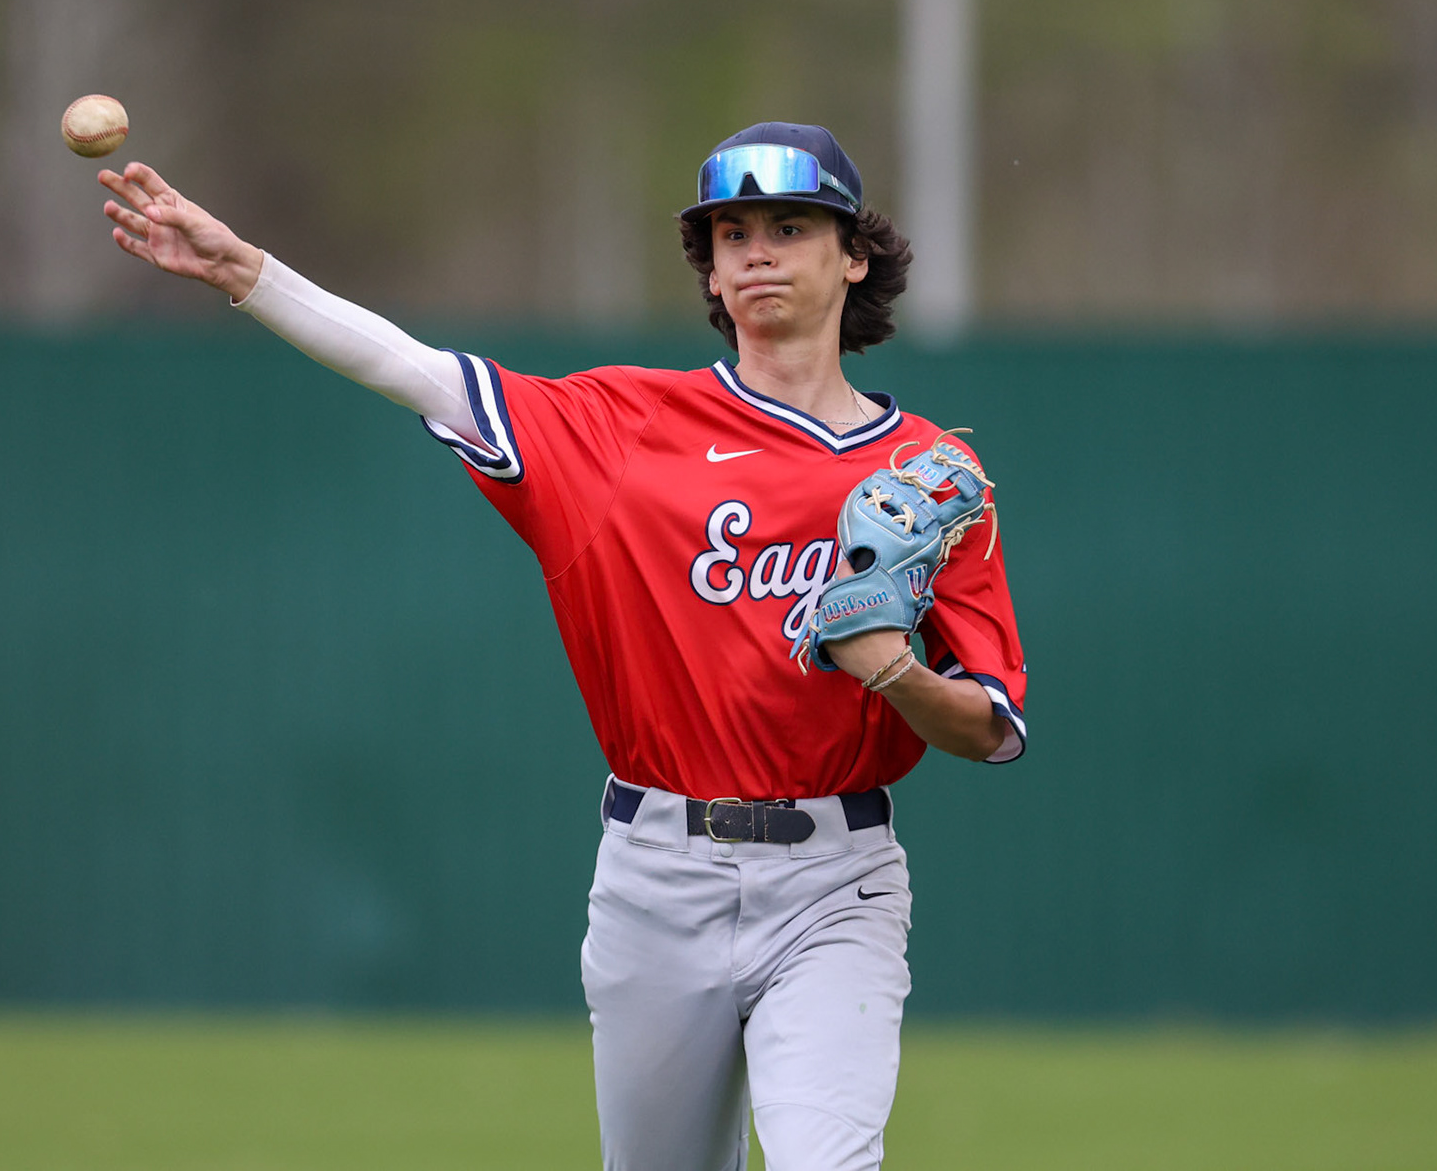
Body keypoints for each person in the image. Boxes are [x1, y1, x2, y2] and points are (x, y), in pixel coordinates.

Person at [97, 120, 1026, 1171]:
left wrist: (893, 667)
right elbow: (418, 372)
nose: (757, 250)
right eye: (731, 233)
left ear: (854, 255)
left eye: (790, 225)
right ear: (712, 275)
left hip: (837, 880)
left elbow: (991, 727)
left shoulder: (934, 477)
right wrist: (246, 271)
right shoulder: (623, 426)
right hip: (656, 873)